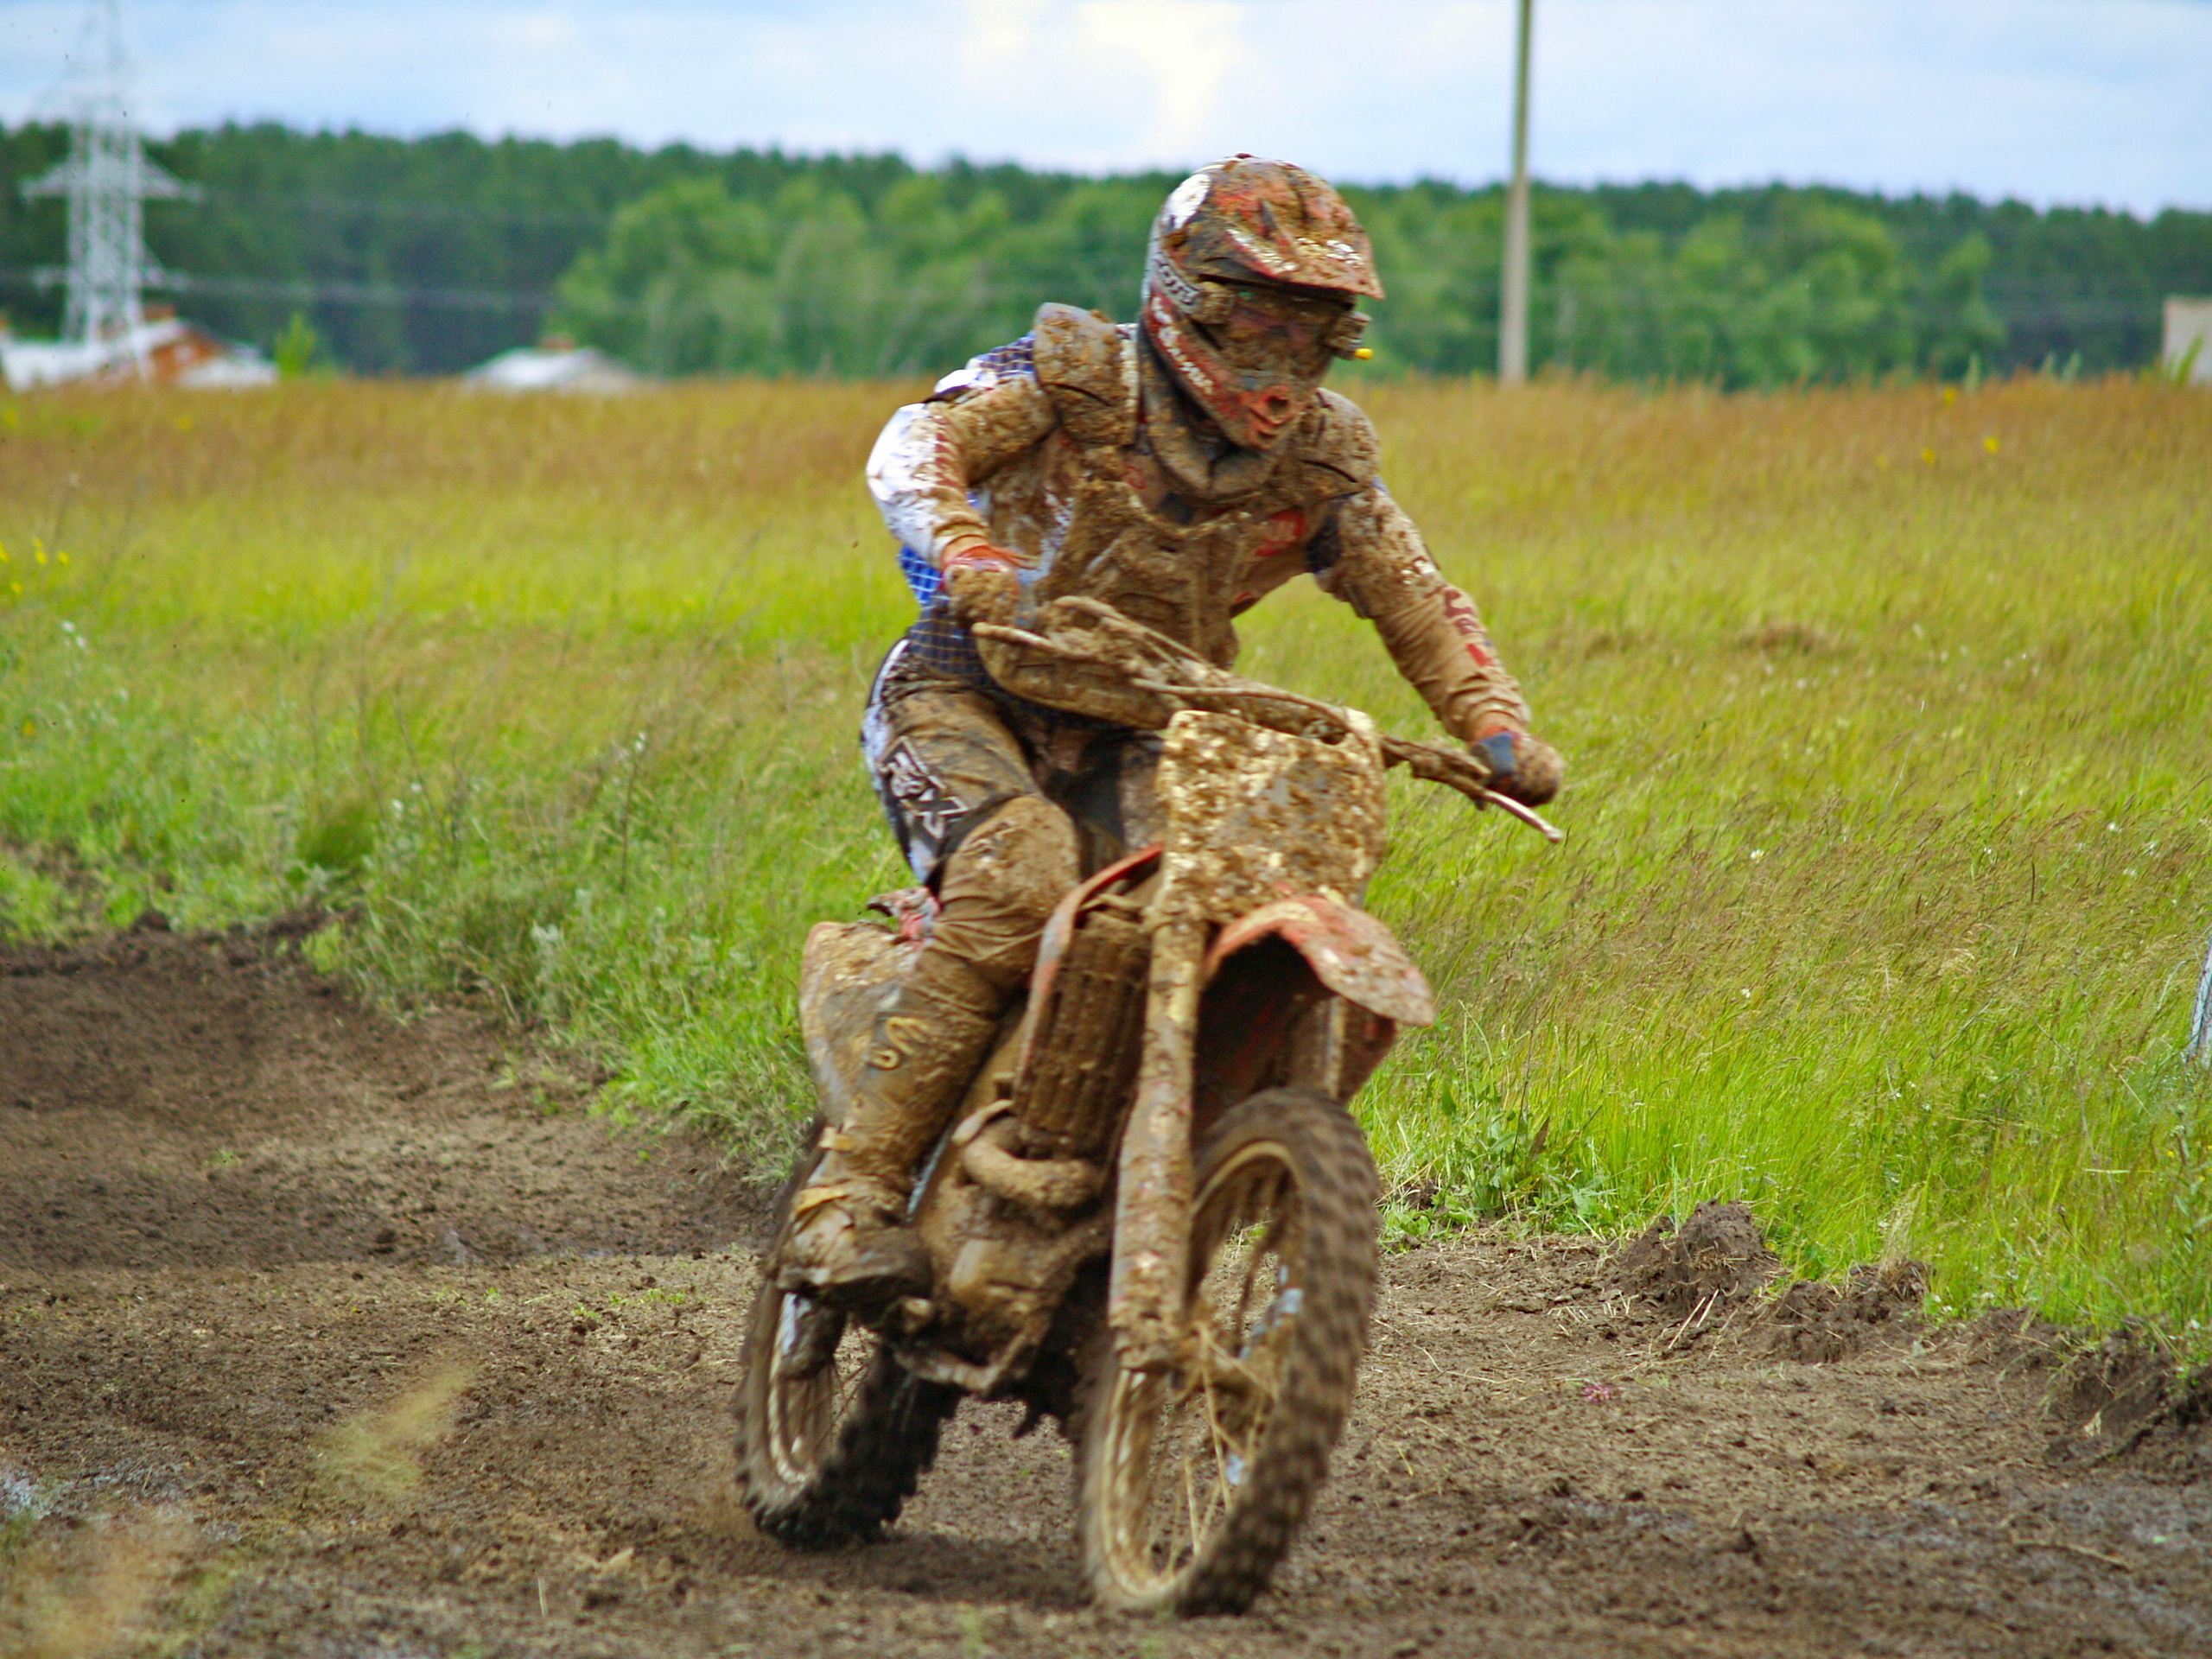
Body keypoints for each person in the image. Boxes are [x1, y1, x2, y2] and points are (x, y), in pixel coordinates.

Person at [782, 155, 1564, 1308]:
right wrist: (963, 544)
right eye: (1258, 324)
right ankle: (847, 1197)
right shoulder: (1076, 378)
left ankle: (1120, 1185)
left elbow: (1414, 592)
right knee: (1021, 877)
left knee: (1217, 907)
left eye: (1309, 335)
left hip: (1145, 728)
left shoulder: (1320, 459)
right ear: (1187, 299)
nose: (1279, 363)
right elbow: (915, 445)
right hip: (967, 689)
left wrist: (1495, 723)